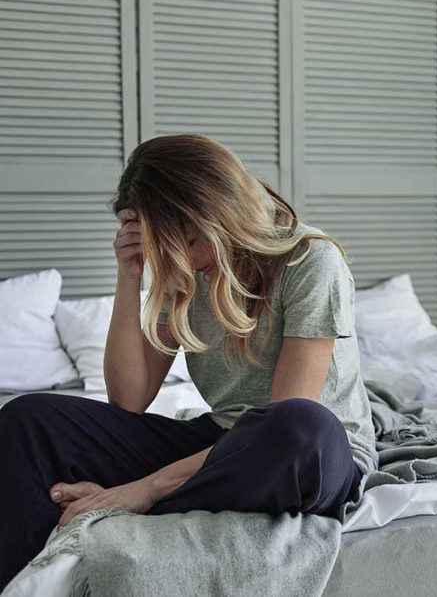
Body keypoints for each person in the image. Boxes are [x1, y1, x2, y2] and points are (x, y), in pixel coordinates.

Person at [0, 134, 377, 590]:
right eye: (166, 246)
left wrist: (143, 488)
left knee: (297, 425)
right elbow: (128, 400)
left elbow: (283, 417)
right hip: (222, 441)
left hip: (310, 454)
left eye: (191, 241)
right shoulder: (185, 269)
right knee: (29, 418)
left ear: (217, 211)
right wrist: (130, 275)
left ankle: (128, 502)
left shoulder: (311, 261)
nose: (186, 260)